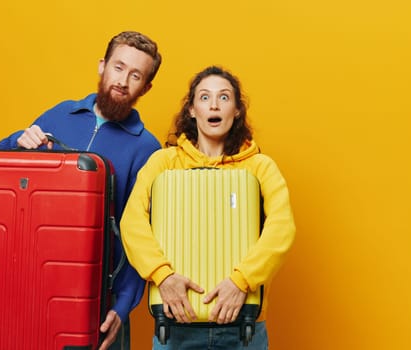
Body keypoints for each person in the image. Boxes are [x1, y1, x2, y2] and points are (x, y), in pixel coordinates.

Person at [0, 31, 163, 350]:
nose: (123, 81)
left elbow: (141, 234)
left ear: (146, 87)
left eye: (135, 75)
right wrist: (16, 140)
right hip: (33, 284)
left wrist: (122, 306)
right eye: (118, 67)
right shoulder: (59, 116)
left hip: (99, 297)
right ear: (102, 66)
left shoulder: (147, 148)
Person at [119, 65, 296, 349]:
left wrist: (242, 282)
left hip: (244, 330)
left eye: (224, 98)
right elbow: (132, 223)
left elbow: (281, 228)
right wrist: (163, 277)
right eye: (204, 97)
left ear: (237, 110)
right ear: (191, 110)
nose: (214, 104)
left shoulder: (260, 167)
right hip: (175, 325)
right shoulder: (163, 163)